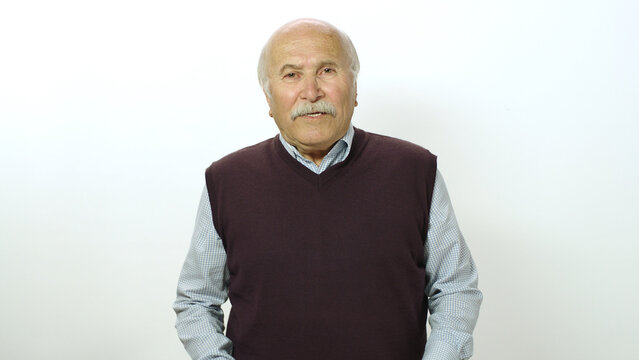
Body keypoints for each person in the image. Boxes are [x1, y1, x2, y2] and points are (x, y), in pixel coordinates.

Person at [173, 18, 482, 360]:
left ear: (354, 86)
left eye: (327, 71)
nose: (311, 92)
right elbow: (196, 300)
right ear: (269, 96)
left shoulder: (415, 171)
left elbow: (455, 288)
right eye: (291, 74)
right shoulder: (226, 181)